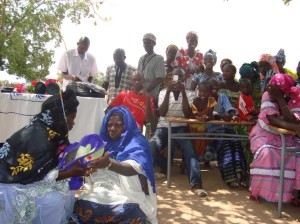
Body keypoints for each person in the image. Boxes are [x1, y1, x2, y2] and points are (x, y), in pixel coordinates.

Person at [0, 89, 91, 223]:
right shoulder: (39, 138)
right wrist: (71, 172)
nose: (73, 122)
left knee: (65, 190)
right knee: (53, 200)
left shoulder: (54, 133)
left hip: (30, 179)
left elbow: (62, 159)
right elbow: (40, 176)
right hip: (12, 185)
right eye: (72, 117)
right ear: (61, 116)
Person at [74, 106, 158, 224]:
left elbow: (135, 169)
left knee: (132, 213)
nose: (112, 129)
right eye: (109, 125)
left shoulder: (137, 142)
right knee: (82, 207)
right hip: (102, 190)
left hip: (126, 193)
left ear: (126, 126)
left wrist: (108, 164)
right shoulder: (102, 143)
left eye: (117, 125)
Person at [149, 67, 207, 197]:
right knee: (151, 145)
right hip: (164, 127)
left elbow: (187, 113)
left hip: (181, 126)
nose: (177, 80)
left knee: (189, 150)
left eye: (180, 78)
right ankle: (165, 165)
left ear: (184, 79)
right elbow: (162, 113)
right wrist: (169, 90)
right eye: (175, 77)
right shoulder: (163, 92)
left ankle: (196, 184)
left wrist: (183, 93)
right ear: (171, 79)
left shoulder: (190, 93)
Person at [249, 73, 300, 203]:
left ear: (284, 91)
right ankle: (259, 191)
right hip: (265, 134)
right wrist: (295, 127)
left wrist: (281, 99)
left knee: (295, 155)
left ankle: (290, 195)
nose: (269, 89)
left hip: (287, 136)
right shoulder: (267, 95)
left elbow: (292, 119)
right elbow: (272, 120)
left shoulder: (295, 97)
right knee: (267, 152)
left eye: (274, 89)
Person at [137, 33, 165, 134]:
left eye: (148, 43)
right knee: (139, 124)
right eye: (144, 43)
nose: (146, 45)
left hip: (153, 96)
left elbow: (159, 78)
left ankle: (153, 147)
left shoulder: (159, 58)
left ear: (154, 44)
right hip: (141, 96)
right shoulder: (141, 59)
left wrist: (146, 90)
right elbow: (138, 77)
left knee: (152, 125)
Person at [189, 81, 217, 159]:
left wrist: (207, 118)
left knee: (202, 143)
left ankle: (202, 159)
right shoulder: (196, 100)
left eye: (205, 91)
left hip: (203, 126)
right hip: (193, 127)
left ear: (210, 92)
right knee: (193, 143)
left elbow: (211, 115)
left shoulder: (211, 100)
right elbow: (193, 114)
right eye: (200, 91)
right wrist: (198, 117)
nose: (202, 94)